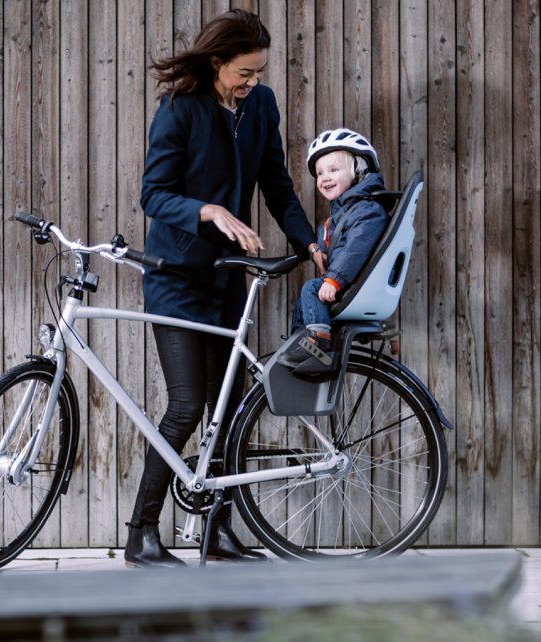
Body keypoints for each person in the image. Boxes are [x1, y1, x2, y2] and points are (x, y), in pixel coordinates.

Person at [125, 9, 323, 568]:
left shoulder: (260, 106)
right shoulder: (179, 109)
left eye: (259, 72)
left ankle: (218, 532)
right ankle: (141, 534)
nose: (252, 82)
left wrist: (309, 244)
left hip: (226, 277)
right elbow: (154, 194)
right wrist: (208, 209)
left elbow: (277, 184)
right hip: (177, 276)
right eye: (244, 72)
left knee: (229, 411)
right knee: (187, 406)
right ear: (216, 63)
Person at [278, 128, 389, 374]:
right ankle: (300, 345)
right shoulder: (347, 212)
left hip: (353, 284)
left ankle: (317, 345)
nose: (324, 177)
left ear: (359, 170)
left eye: (333, 170)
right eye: (319, 173)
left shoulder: (366, 211)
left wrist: (334, 279)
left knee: (312, 289)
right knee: (304, 300)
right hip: (350, 283)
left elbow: (355, 250)